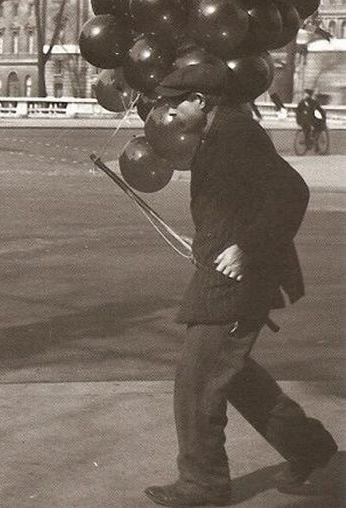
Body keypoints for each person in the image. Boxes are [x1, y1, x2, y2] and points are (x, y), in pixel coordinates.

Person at [143, 63, 337, 508]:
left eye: (176, 102)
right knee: (233, 375)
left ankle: (203, 484)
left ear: (202, 102)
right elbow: (235, 201)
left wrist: (247, 246)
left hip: (237, 281)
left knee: (196, 380)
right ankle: (310, 449)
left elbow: (292, 192)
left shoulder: (237, 135)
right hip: (223, 272)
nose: (169, 112)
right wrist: (212, 238)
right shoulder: (219, 132)